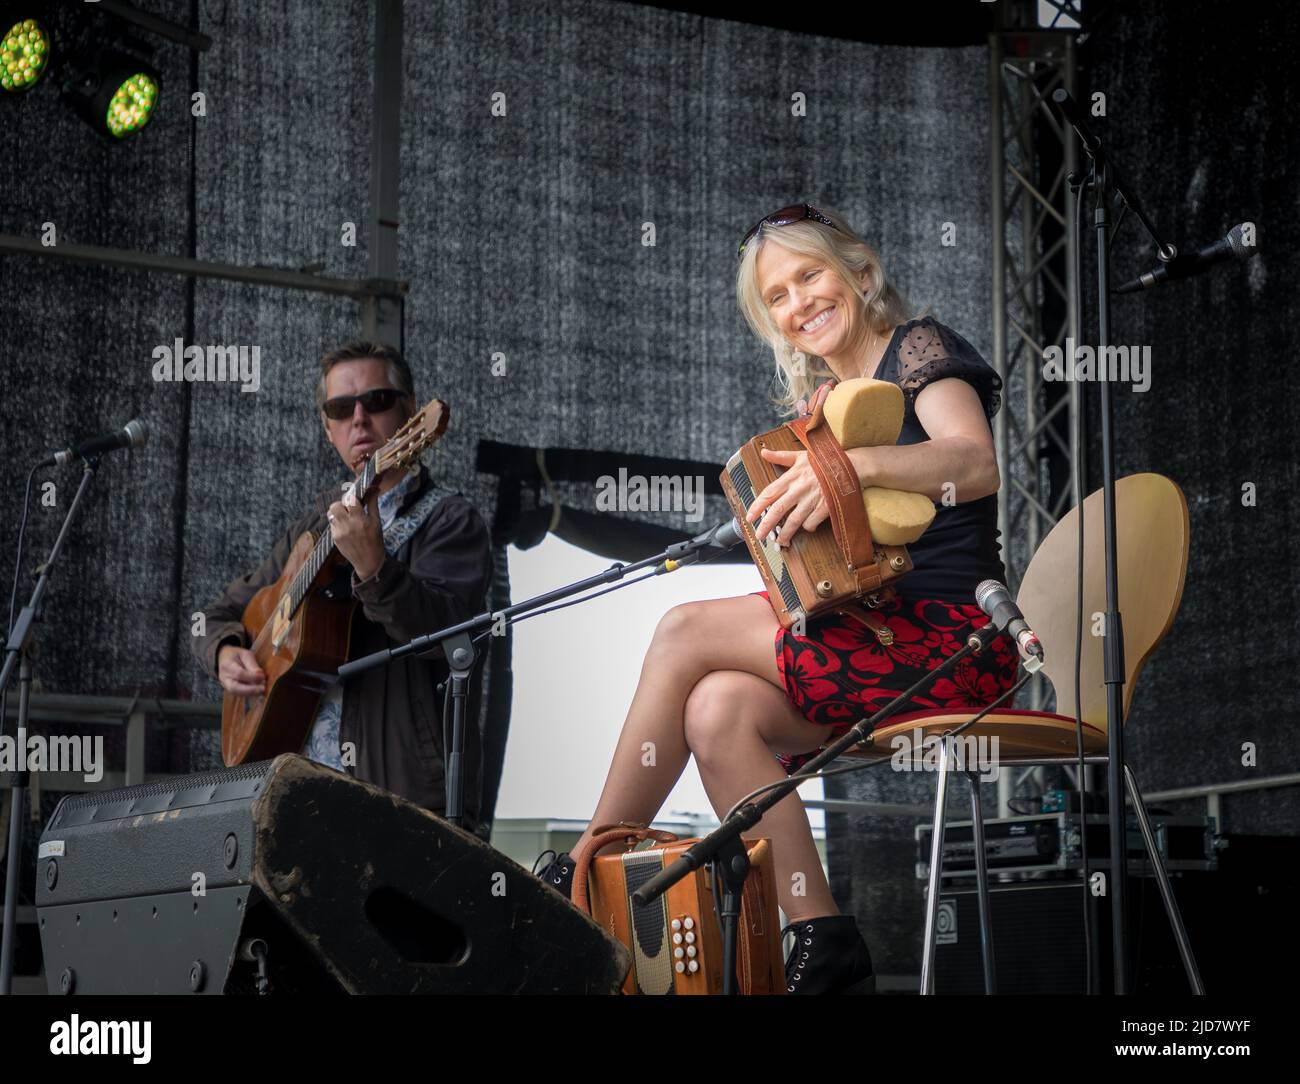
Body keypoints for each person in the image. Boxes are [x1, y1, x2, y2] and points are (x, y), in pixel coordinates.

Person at [536, 204, 1020, 993]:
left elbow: (973, 465)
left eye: (810, 275)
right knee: (716, 708)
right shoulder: (822, 411)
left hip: (954, 637)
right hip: (877, 633)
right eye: (778, 297)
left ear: (860, 274)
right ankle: (825, 938)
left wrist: (850, 470)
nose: (799, 302)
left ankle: (588, 871)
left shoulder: (918, 348)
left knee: (684, 628)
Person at [193, 341, 493, 831]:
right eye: (340, 408)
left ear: (408, 412)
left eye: (376, 401)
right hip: (299, 800)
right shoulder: (312, 526)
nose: (359, 419)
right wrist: (225, 652)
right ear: (327, 428)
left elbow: (449, 635)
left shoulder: (451, 520)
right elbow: (213, 616)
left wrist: (375, 568)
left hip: (402, 804)